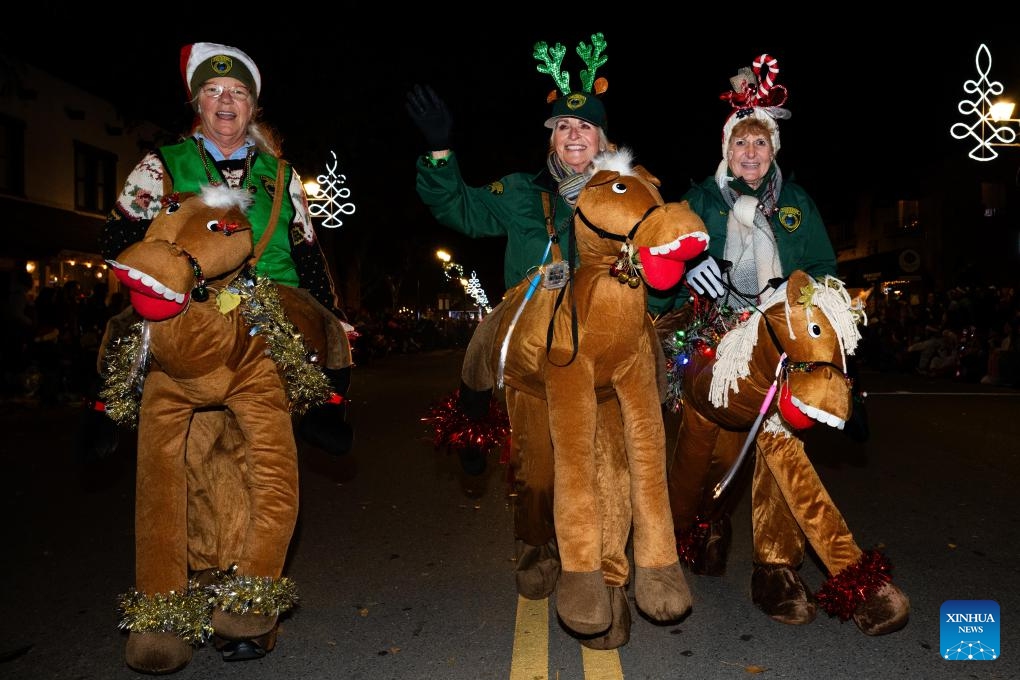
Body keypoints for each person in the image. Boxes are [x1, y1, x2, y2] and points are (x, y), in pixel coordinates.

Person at [95, 42, 353, 666]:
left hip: (271, 325)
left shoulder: (283, 174)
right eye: (214, 93)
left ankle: (248, 610)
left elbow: (309, 251)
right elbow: (119, 242)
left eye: (236, 92)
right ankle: (183, 599)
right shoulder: (161, 166)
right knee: (186, 467)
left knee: (255, 466)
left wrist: (331, 318)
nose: (226, 102)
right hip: (189, 329)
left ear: (253, 105)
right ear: (197, 104)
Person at [660, 55, 905, 630]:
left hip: (777, 344)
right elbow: (663, 258)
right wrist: (693, 265)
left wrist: (794, 289)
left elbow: (826, 270)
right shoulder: (700, 199)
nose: (750, 153)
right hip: (711, 341)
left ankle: (775, 568)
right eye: (741, 142)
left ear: (773, 151)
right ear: (726, 149)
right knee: (712, 455)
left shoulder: (797, 204)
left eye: (760, 143)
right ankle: (702, 523)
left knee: (775, 434)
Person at [407, 33, 645, 610]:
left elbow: (660, 253)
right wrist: (441, 154)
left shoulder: (629, 192)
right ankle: (534, 541)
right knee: (537, 471)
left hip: (603, 350)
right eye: (563, 126)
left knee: (602, 464)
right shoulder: (518, 191)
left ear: (602, 138)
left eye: (584, 127)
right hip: (533, 346)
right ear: (552, 138)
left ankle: (602, 563)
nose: (573, 135)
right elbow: (457, 208)